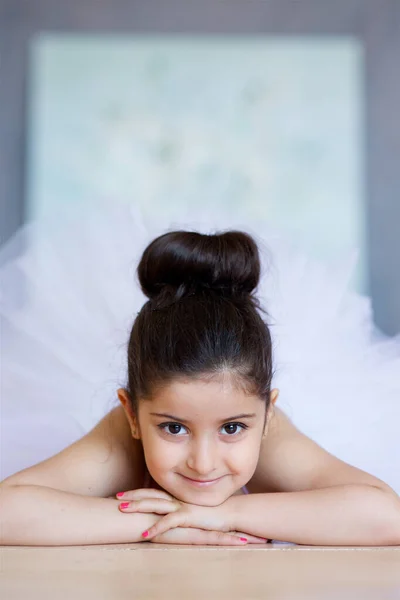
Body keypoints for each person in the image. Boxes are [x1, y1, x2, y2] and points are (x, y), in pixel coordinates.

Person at [1, 206, 400, 547]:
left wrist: (227, 513)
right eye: (174, 428)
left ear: (267, 414)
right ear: (133, 415)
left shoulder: (272, 435)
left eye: (232, 428)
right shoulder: (123, 435)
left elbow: (387, 516)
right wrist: (160, 524)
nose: (204, 463)